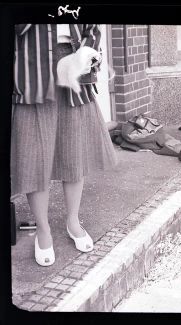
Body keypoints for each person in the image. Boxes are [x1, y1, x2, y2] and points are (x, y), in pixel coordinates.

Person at [11, 24, 117, 266]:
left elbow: (92, 27)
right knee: (35, 156)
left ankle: (73, 221)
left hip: (74, 66)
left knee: (74, 150)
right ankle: (43, 230)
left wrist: (89, 52)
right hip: (32, 69)